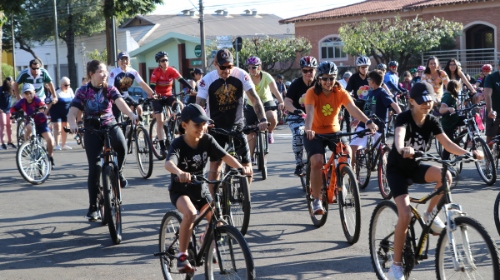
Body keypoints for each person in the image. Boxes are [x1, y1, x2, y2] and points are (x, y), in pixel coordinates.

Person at [385, 82, 482, 280]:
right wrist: (402, 147)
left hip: (414, 167)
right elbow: (399, 136)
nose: (427, 105)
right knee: (404, 214)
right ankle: (395, 266)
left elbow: (447, 143)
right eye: (422, 102)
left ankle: (429, 214)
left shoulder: (431, 121)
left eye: (430, 101)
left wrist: (469, 154)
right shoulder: (404, 117)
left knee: (445, 175)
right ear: (411, 101)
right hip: (397, 171)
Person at [164, 103, 251, 273]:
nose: (202, 128)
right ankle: (182, 256)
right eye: (197, 125)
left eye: (204, 124)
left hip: (200, 188)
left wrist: (241, 168)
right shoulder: (178, 143)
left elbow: (225, 156)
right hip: (180, 190)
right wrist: (179, 172)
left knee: (216, 218)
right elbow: (169, 163)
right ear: (184, 125)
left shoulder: (207, 140)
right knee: (190, 213)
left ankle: (205, 240)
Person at [67, 60, 139, 221]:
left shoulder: (110, 88)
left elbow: (120, 103)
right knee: (95, 167)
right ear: (91, 74)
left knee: (121, 146)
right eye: (101, 71)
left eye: (105, 71)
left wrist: (131, 115)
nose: (104, 74)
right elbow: (72, 112)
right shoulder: (82, 91)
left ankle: (118, 173)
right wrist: (73, 124)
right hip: (91, 128)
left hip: (109, 123)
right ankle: (93, 207)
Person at [304, 61, 378, 214]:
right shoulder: (312, 92)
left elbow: (353, 109)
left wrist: (368, 121)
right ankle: (317, 200)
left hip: (334, 132)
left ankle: (342, 182)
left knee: (347, 153)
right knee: (317, 162)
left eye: (331, 78)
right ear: (319, 79)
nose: (328, 82)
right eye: (325, 78)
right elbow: (310, 113)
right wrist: (308, 129)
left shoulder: (340, 91)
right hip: (315, 133)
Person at [196, 49, 267, 193]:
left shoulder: (241, 74)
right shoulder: (207, 80)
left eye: (230, 66)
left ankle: (243, 195)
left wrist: (263, 119)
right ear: (215, 65)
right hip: (215, 127)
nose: (227, 70)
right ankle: (214, 203)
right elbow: (199, 106)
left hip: (237, 126)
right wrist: (201, 125)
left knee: (247, 167)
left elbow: (254, 99)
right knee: (216, 165)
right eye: (223, 67)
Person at [350, 70, 401, 168]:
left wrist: (401, 115)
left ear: (372, 81)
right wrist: (358, 120)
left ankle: (385, 174)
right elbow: (366, 111)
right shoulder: (370, 92)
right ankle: (352, 174)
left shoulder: (381, 92)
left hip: (378, 125)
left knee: (380, 150)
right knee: (352, 147)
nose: (368, 81)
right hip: (365, 123)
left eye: (369, 79)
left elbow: (394, 104)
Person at [150, 51, 195, 156]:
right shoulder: (155, 72)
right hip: (158, 98)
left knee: (179, 106)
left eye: (166, 60)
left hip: (169, 96)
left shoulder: (172, 70)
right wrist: (154, 94)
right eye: (163, 60)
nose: (165, 62)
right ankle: (162, 147)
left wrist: (191, 87)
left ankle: (172, 123)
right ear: (159, 62)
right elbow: (152, 87)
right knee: (160, 121)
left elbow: (182, 80)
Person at [284, 56, 317, 175]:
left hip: (315, 117)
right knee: (299, 133)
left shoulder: (320, 83)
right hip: (297, 118)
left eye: (311, 70)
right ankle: (299, 164)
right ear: (301, 71)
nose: (308, 73)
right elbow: (287, 102)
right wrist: (295, 110)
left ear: (316, 70)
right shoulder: (296, 84)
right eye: (305, 70)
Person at [11, 83, 55, 166]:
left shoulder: (36, 100)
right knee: (28, 127)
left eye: (30, 93)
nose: (29, 95)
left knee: (50, 141)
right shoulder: (22, 102)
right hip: (31, 122)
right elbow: (13, 108)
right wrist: (13, 113)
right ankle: (27, 145)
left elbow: (43, 104)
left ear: (34, 92)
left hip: (41, 124)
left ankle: (50, 157)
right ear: (23, 94)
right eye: (26, 93)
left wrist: (42, 107)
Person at [244, 56, 284, 148]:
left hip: (266, 101)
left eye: (253, 67)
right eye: (249, 67)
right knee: (251, 131)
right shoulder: (247, 78)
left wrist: (281, 102)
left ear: (259, 67)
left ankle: (270, 132)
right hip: (251, 103)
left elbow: (275, 90)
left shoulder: (266, 76)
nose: (251, 69)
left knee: (272, 116)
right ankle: (251, 158)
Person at [108, 51, 154, 121]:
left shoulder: (133, 72)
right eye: (122, 60)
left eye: (126, 59)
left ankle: (136, 129)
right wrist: (112, 98)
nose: (124, 61)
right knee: (118, 121)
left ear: (129, 60)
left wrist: (153, 94)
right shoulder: (113, 72)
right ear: (118, 61)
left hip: (126, 96)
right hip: (116, 98)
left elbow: (143, 84)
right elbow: (110, 87)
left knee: (139, 109)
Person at [439, 81, 467, 161]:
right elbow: (441, 110)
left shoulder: (452, 96)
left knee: (468, 119)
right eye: (459, 88)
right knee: (449, 146)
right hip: (448, 124)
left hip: (454, 119)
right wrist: (448, 108)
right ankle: (445, 164)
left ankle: (459, 139)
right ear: (455, 88)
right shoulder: (447, 96)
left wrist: (457, 105)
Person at [50, 77, 74, 150]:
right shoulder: (57, 91)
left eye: (68, 85)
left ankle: (64, 144)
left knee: (65, 127)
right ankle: (57, 144)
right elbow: (52, 100)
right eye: (65, 85)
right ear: (61, 85)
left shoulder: (70, 90)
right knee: (58, 127)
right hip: (56, 111)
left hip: (66, 111)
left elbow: (74, 99)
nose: (67, 87)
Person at [484, 60, 500, 147]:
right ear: (499, 67)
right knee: (490, 137)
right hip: (494, 111)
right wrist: (490, 111)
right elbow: (487, 94)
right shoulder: (491, 77)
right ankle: (489, 159)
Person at [0, 77, 16, 149]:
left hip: (8, 110)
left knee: (9, 125)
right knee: (3, 124)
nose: (12, 84)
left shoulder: (12, 89)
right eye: (11, 83)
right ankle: (3, 143)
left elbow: (17, 94)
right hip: (2, 110)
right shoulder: (1, 89)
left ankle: (10, 142)